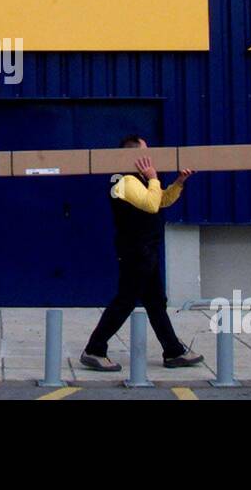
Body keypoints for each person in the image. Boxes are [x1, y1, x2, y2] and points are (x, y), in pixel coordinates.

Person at [80, 135, 204, 371]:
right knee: (125, 301)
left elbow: (161, 201)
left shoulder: (140, 179)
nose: (150, 158)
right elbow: (150, 203)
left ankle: (173, 351)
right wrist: (154, 178)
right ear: (132, 156)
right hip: (135, 251)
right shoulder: (124, 181)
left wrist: (179, 182)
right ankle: (94, 349)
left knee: (156, 302)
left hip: (148, 249)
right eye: (146, 152)